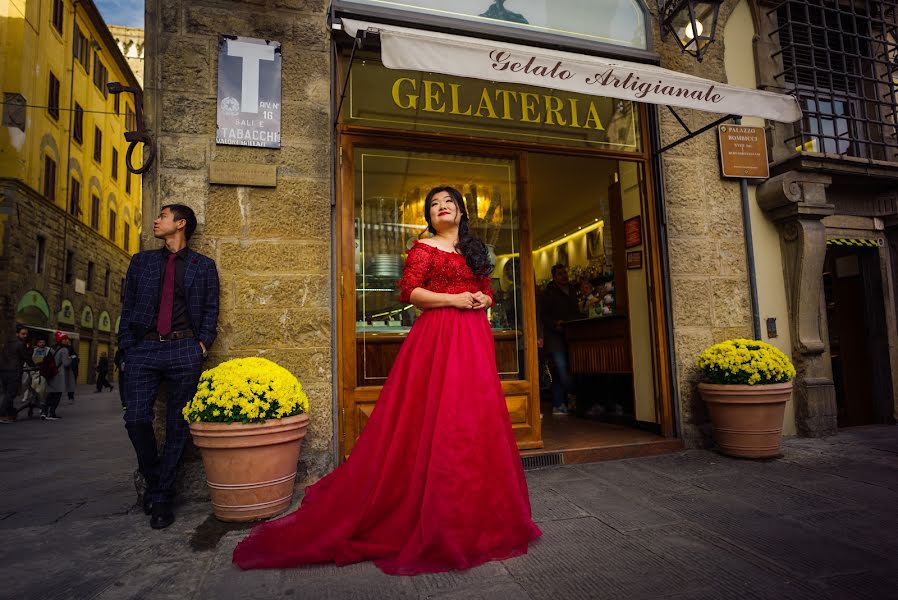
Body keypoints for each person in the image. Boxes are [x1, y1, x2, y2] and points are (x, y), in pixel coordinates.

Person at [233, 186, 541, 575]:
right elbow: (410, 291)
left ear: (462, 212)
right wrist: (456, 300)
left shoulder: (475, 250)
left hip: (474, 341)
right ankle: (431, 507)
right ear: (429, 217)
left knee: (473, 420)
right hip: (438, 338)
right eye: (434, 204)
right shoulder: (424, 248)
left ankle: (477, 508)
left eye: (449, 203)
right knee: (435, 418)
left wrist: (484, 300)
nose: (441, 208)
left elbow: (486, 290)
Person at [118, 204, 219, 530]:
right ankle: (156, 480)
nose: (156, 220)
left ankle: (161, 496)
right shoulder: (142, 262)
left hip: (183, 349)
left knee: (178, 426)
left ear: (181, 224)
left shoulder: (203, 267)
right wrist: (126, 349)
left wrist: (200, 346)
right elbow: (128, 305)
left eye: (162, 216)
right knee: (135, 418)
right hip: (143, 348)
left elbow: (210, 309)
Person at [539, 264, 580, 415]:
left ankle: (558, 404)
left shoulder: (572, 290)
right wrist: (555, 324)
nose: (564, 276)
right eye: (560, 274)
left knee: (559, 371)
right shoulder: (549, 293)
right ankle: (575, 395)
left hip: (570, 334)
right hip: (554, 336)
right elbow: (543, 315)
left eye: (565, 273)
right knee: (562, 368)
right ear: (554, 276)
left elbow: (576, 310)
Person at [0, 325, 32, 424]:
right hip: (14, 371)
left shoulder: (7, 344)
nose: (25, 336)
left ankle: (9, 415)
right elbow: (26, 357)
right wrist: (34, 365)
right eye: (23, 334)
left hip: (3, 371)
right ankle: (1, 414)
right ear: (17, 334)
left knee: (7, 393)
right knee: (11, 394)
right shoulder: (20, 344)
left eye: (26, 334)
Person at [43, 331, 74, 420]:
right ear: (61, 340)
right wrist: (71, 358)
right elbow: (66, 363)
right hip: (59, 374)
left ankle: (44, 411)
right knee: (57, 394)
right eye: (65, 339)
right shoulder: (64, 350)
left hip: (52, 373)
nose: (67, 340)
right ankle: (51, 413)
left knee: (51, 394)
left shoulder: (53, 348)